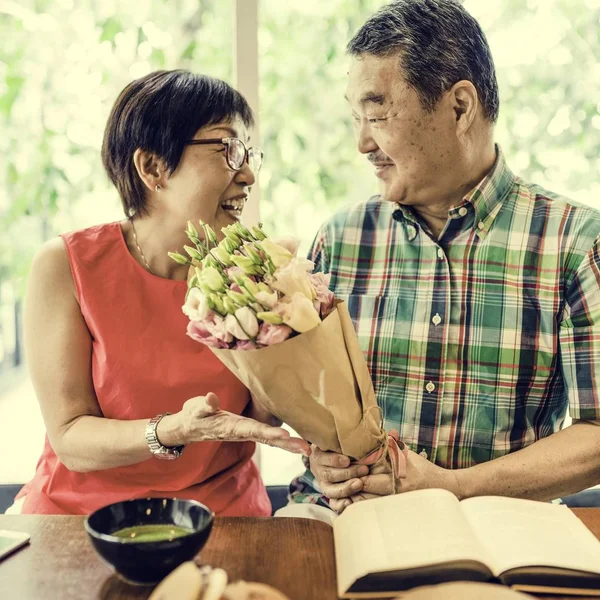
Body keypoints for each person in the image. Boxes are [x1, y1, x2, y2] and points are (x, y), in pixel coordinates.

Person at [290, 0, 600, 513]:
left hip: (499, 530)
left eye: (377, 113)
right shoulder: (338, 239)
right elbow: (311, 402)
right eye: (355, 117)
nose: (362, 142)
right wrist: (320, 456)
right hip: (339, 517)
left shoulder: (575, 242)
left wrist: (454, 487)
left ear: (459, 107)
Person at [13, 70, 309, 516]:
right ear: (153, 167)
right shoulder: (65, 266)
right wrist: (173, 430)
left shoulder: (252, 267)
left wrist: (287, 315)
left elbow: (262, 419)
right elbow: (70, 437)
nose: (247, 174)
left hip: (222, 513)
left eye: (248, 153)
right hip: (80, 515)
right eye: (227, 149)